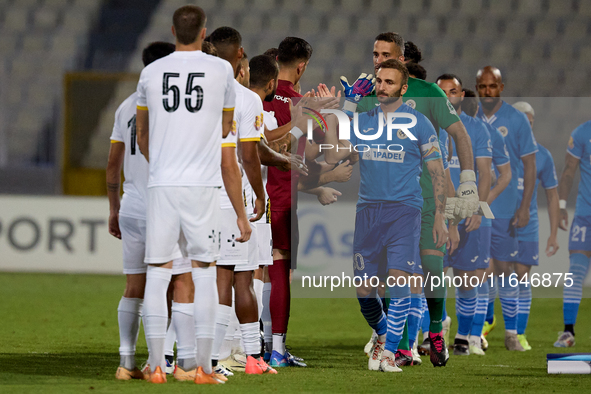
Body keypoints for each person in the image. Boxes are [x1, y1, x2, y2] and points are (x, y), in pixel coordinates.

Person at [341, 31, 477, 367]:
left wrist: (466, 187)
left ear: (402, 60)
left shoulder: (428, 95)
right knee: (379, 281)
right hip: (374, 202)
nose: (376, 62)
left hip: (421, 198)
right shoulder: (369, 94)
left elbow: (456, 138)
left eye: (384, 55)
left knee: (427, 268)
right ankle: (392, 339)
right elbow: (348, 145)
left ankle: (426, 333)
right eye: (374, 55)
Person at [135, 5, 246, 384]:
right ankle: (201, 367)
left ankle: (154, 366)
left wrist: (163, 160)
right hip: (201, 185)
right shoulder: (221, 70)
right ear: (203, 33)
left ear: (172, 30)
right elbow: (227, 125)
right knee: (203, 273)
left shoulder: (150, 73)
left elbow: (143, 135)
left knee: (157, 272)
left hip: (162, 184)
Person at [324, 59, 447, 372]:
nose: (381, 87)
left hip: (405, 211)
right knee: (364, 289)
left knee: (399, 281)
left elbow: (437, 172)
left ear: (403, 88)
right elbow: (333, 153)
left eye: (389, 82)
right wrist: (348, 106)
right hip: (368, 211)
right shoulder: (364, 121)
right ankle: (381, 335)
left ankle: (391, 352)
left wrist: (441, 217)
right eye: (379, 82)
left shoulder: (420, 123)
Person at [107, 41, 196, 380]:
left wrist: (114, 209)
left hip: (131, 206)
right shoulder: (173, 108)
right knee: (180, 282)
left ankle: (126, 362)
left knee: (135, 286)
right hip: (165, 206)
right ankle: (168, 359)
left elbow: (113, 167)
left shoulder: (125, 107)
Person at [206, 26, 276, 376]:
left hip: (201, 194)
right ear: (239, 55)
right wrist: (260, 196)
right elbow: (250, 157)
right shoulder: (247, 98)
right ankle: (250, 356)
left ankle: (211, 357)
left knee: (211, 278)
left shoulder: (200, 93)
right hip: (235, 198)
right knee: (243, 277)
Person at [475, 66, 538, 351]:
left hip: (505, 207)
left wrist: (524, 207)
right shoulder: (469, 118)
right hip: (475, 206)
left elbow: (529, 165)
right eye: (482, 86)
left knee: (504, 269)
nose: (487, 91)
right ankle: (477, 329)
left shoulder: (516, 119)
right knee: (477, 269)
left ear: (501, 87)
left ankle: (512, 333)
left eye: (492, 86)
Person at [262, 36, 313, 368]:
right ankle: (277, 349)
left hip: (249, 194)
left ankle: (256, 345)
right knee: (280, 270)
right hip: (280, 197)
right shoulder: (299, 105)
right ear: (302, 66)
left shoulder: (255, 93)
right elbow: (298, 161)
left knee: (250, 272)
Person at [436, 75, 492, 356]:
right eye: (442, 91)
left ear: (462, 94)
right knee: (432, 276)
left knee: (468, 279)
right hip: (437, 210)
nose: (448, 95)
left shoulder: (477, 129)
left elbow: (485, 172)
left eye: (453, 91)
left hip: (468, 211)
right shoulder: (429, 125)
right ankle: (434, 332)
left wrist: (477, 208)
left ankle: (462, 338)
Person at [461, 89, 511, 354]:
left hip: (474, 209)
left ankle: (472, 336)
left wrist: (481, 204)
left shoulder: (485, 132)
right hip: (450, 207)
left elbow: (502, 175)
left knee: (477, 276)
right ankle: (459, 335)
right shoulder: (439, 128)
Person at [510, 102, 560, 351]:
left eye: (528, 122)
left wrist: (552, 234)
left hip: (527, 225)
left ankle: (518, 334)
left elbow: (552, 196)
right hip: (499, 224)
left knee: (521, 276)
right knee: (485, 276)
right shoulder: (500, 149)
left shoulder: (543, 155)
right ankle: (482, 327)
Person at [554, 119, 591, 347]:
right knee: (576, 271)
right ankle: (568, 331)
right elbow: (568, 171)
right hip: (585, 215)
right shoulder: (581, 132)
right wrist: (561, 206)